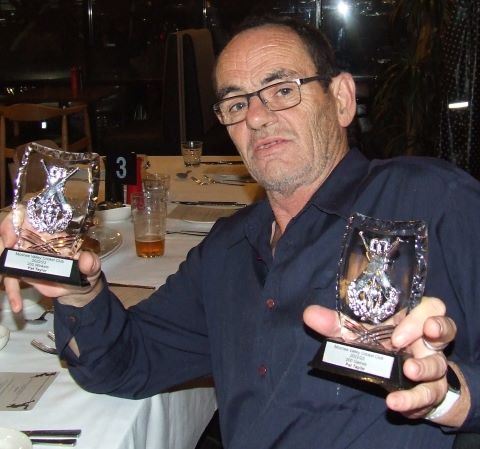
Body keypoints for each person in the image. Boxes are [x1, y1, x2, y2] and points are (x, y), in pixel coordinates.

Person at [1, 14, 479, 449]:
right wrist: (77, 291)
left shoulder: (430, 202)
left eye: (283, 89)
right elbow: (129, 362)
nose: (256, 116)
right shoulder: (227, 250)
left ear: (342, 99)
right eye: (235, 102)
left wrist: (451, 396)